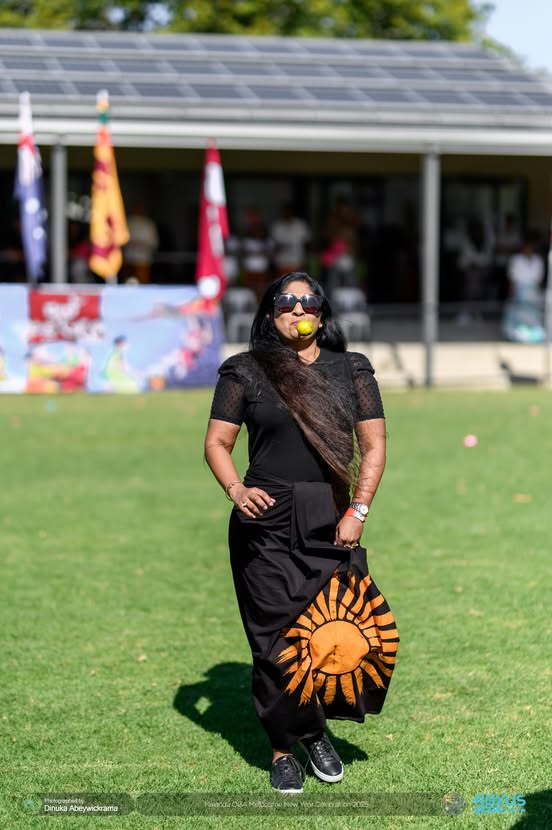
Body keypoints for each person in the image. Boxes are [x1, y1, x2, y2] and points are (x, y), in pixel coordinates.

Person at [204, 272, 399, 795]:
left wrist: (358, 509)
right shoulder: (244, 370)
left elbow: (374, 448)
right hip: (263, 520)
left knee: (330, 635)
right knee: (273, 642)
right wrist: (237, 490)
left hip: (329, 517)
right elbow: (217, 443)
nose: (296, 308)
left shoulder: (350, 369)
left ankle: (311, 730)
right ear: (270, 313)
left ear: (322, 310)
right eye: (284, 302)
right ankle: (286, 748)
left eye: (306, 300)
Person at [502, 232, 545, 343]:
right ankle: (517, 335)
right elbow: (513, 279)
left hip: (533, 292)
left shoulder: (538, 260)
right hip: (520, 291)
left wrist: (539, 294)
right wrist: (512, 293)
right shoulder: (516, 259)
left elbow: (539, 280)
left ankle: (534, 334)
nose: (529, 249)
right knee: (518, 314)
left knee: (534, 315)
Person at [122, 201, 159, 284]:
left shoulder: (149, 224)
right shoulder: (128, 223)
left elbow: (154, 242)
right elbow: (121, 240)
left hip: (143, 260)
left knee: (143, 284)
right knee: (126, 283)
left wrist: (140, 244)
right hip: (128, 259)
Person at [270, 202, 310, 277]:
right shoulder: (277, 225)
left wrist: (306, 260)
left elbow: (306, 243)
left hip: (297, 261)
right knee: (282, 285)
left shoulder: (300, 225)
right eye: (285, 211)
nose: (287, 213)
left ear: (293, 212)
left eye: (289, 211)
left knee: (296, 283)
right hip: (281, 262)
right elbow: (273, 244)